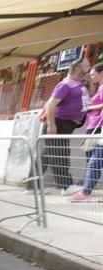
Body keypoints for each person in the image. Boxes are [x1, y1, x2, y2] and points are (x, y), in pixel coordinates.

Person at [44, 59, 92, 194]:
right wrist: (51, 125)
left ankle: (32, 184)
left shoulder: (78, 84)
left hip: (67, 124)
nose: (89, 67)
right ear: (77, 68)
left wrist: (89, 83)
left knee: (48, 154)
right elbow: (51, 105)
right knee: (60, 153)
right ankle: (66, 185)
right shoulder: (65, 84)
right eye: (86, 65)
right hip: (58, 123)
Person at [72, 63, 103, 203]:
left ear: (100, 73)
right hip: (97, 126)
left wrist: (89, 107)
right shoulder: (99, 87)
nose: (90, 76)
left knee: (94, 161)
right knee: (94, 161)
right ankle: (86, 190)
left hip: (97, 126)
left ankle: (86, 191)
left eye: (92, 74)